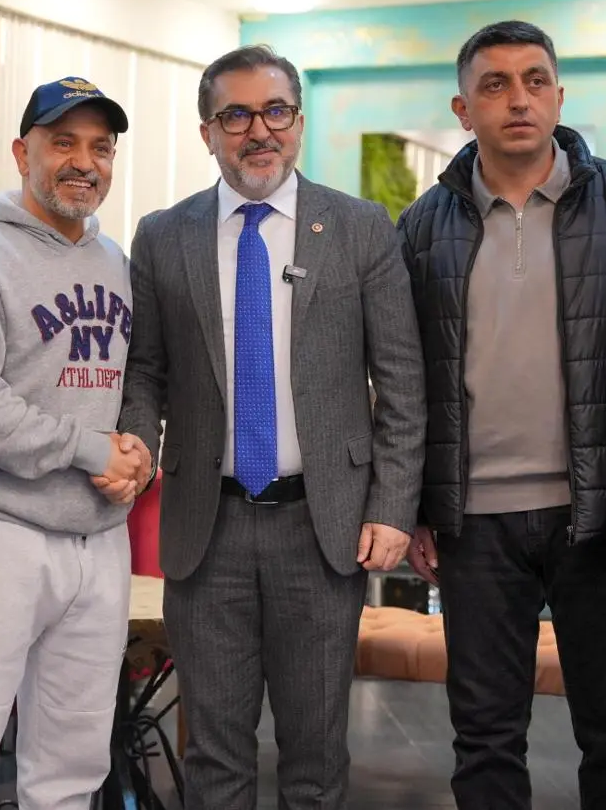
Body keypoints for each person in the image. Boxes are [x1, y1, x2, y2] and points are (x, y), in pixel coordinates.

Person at [113, 44, 426, 810]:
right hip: (205, 528)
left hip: (321, 528)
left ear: (299, 121)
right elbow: (145, 369)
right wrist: (133, 441)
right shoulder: (163, 235)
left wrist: (392, 506)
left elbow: (402, 379)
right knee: (214, 753)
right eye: (236, 115)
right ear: (207, 132)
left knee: (314, 755)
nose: (259, 130)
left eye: (275, 110)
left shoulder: (359, 227)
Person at [396, 20, 606, 810]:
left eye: (534, 80)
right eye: (494, 85)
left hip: (600, 517)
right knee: (484, 735)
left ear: (560, 95)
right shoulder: (420, 228)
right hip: (473, 523)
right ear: (463, 110)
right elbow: (405, 381)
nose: (517, 99)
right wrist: (417, 506)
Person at [0, 77, 142, 810]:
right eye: (63, 142)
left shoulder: (115, 262)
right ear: (22, 152)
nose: (84, 161)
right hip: (0, 532)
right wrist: (90, 451)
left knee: (74, 767)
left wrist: (136, 453)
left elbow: (126, 386)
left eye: (100, 147)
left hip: (100, 539)